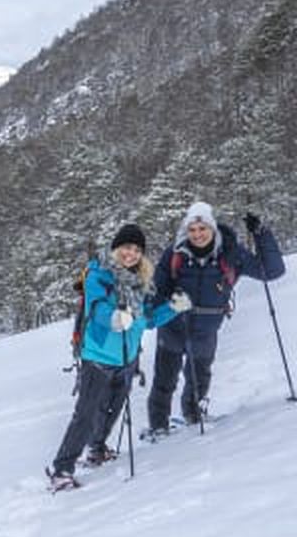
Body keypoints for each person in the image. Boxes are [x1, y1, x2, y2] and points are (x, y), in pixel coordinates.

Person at [48, 224, 192, 491]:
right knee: (86, 415)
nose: (131, 253)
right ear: (116, 248)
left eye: (137, 249)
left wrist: (173, 308)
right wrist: (114, 318)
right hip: (98, 357)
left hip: (127, 358)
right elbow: (97, 306)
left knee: (111, 411)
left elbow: (148, 320)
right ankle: (62, 469)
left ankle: (97, 449)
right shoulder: (98, 274)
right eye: (126, 247)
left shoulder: (141, 282)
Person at [146, 202, 285, 435]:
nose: (197, 234)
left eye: (202, 229)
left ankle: (193, 414)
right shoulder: (175, 253)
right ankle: (158, 427)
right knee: (164, 379)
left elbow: (271, 271)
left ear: (212, 228)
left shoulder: (231, 253)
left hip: (206, 328)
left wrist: (262, 234)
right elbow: (157, 289)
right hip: (174, 325)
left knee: (199, 377)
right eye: (192, 229)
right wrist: (163, 306)